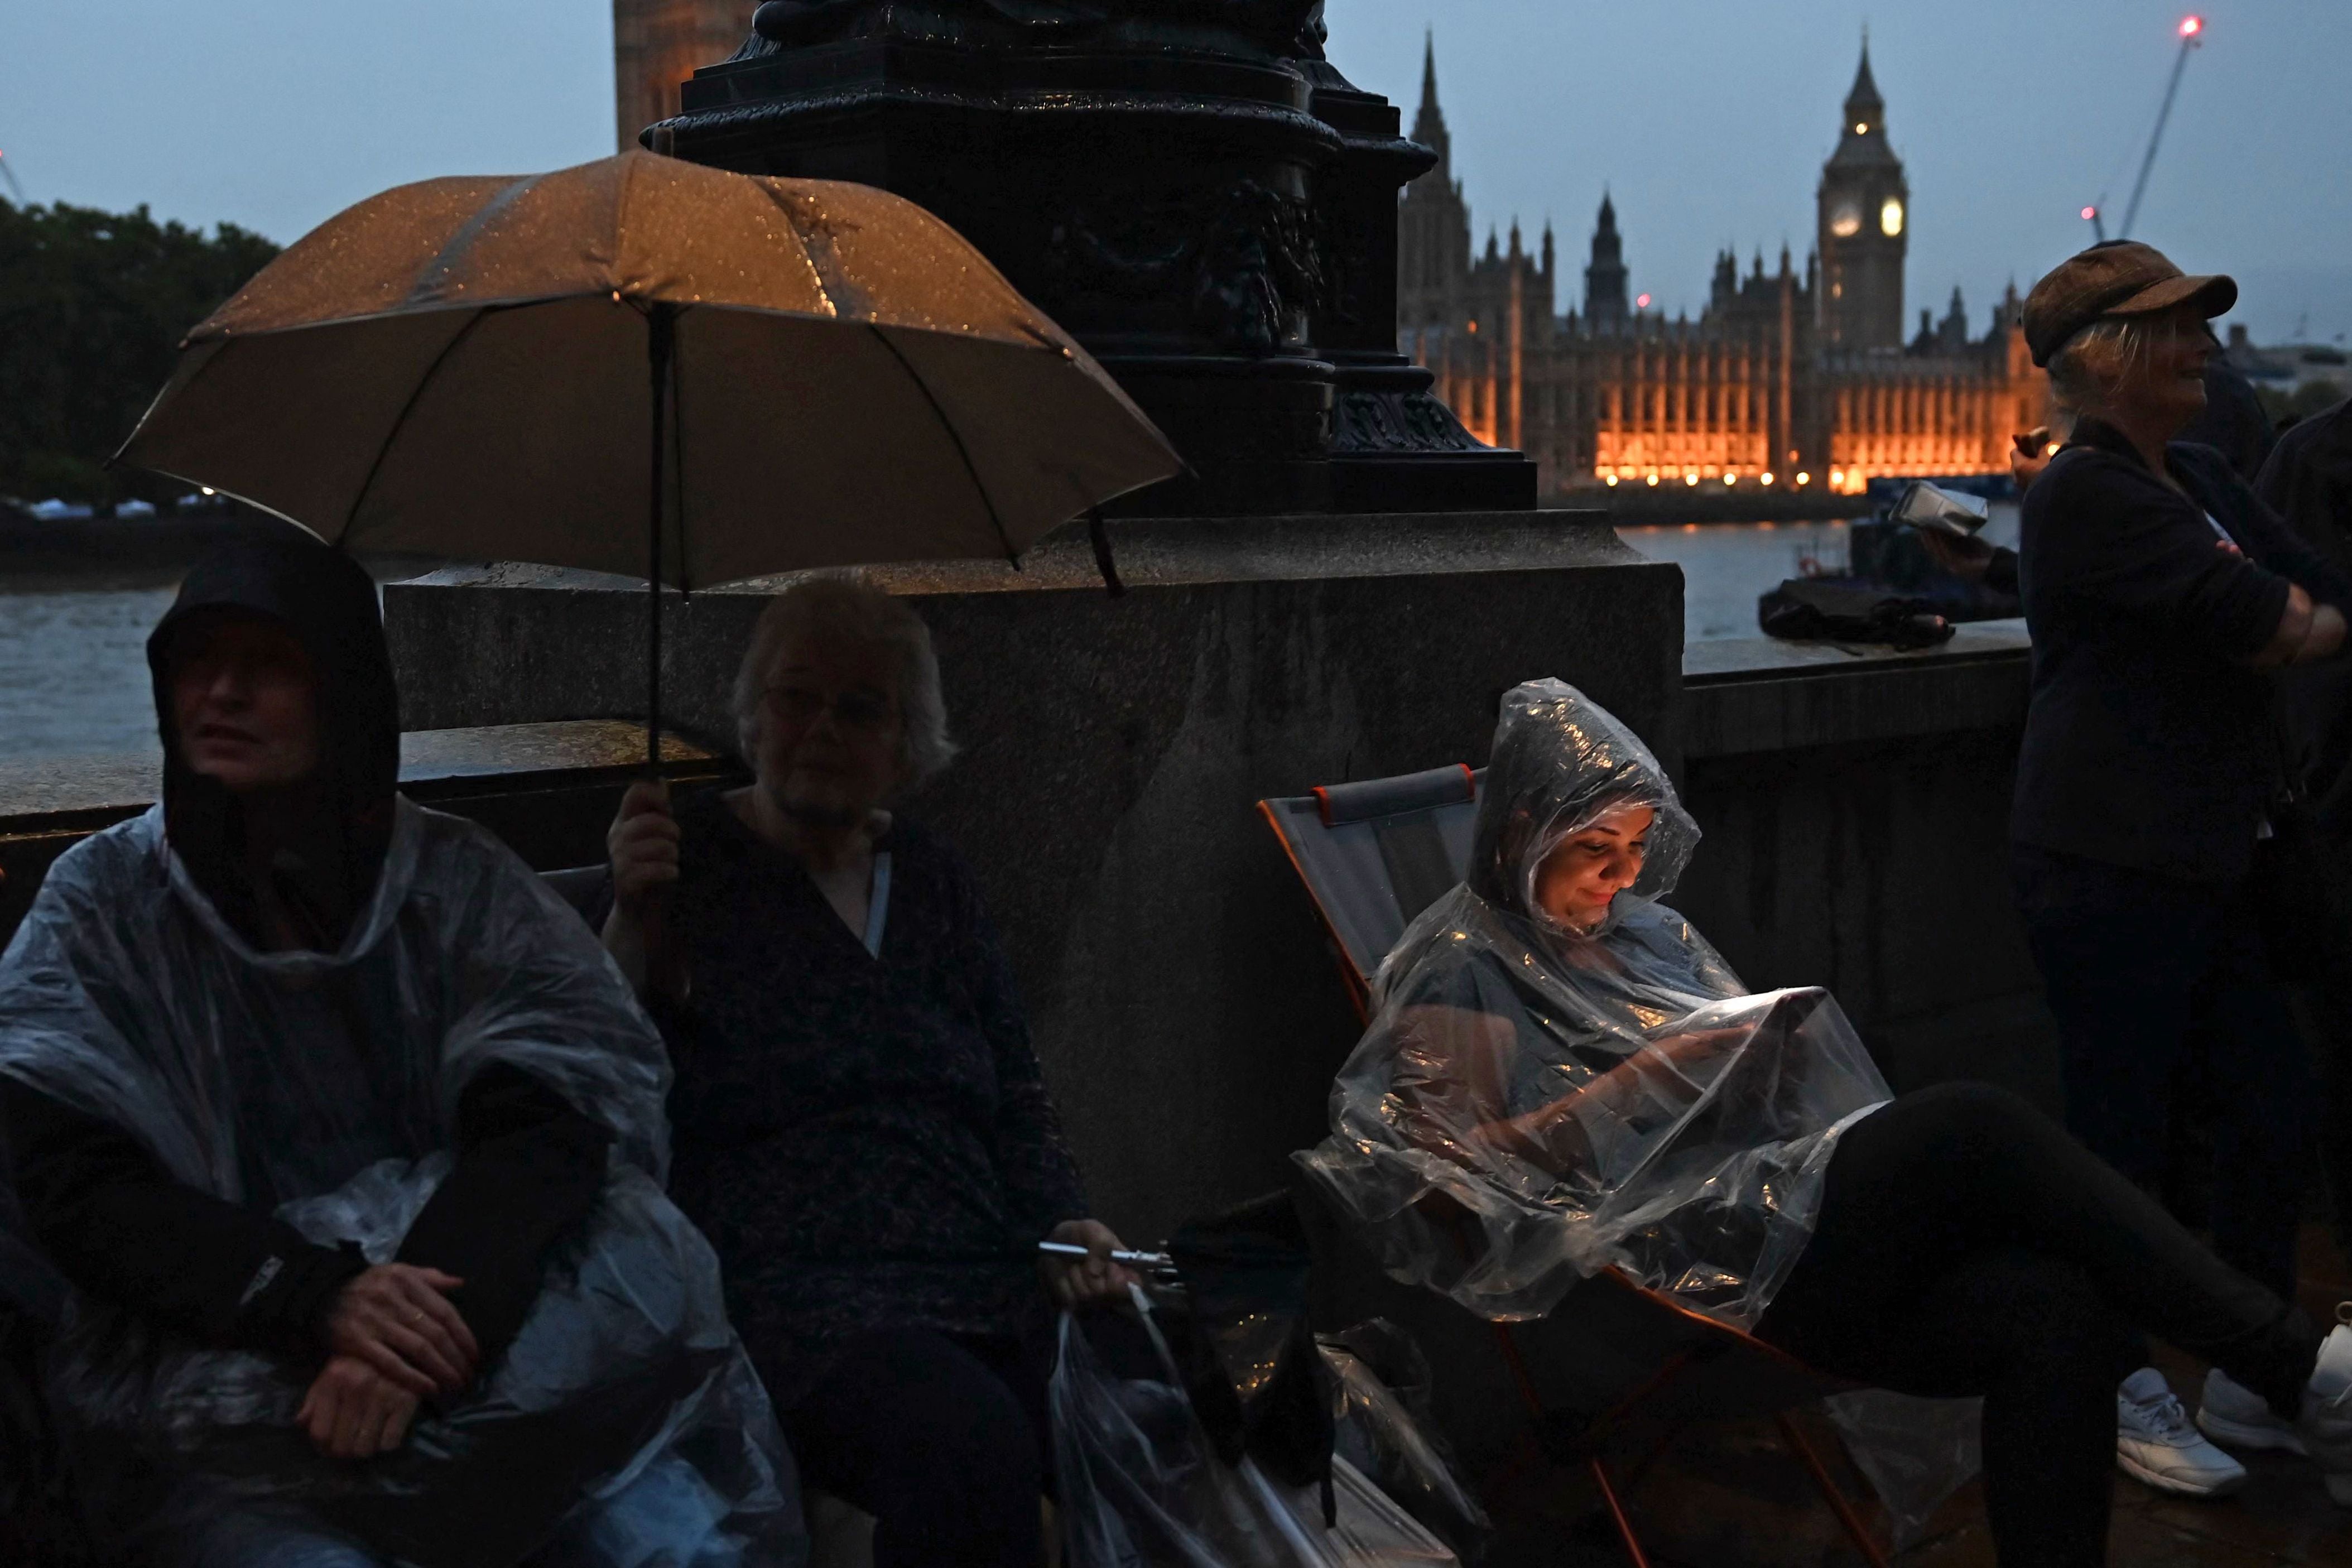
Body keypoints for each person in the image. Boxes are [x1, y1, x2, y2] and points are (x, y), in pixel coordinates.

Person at [1299, 678, 2352, 1568]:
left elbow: (1710, 1091)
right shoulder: (1462, 974)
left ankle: (2288, 1374)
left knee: (2058, 1313)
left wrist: (1760, 1057)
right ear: (1525, 833)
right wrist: (1668, 1072)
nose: (1621, 882)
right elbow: (1465, 1179)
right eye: (1597, 854)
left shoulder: (1636, 940)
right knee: (1972, 1127)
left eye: (1634, 852)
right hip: (1672, 1269)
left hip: (1773, 1226)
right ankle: (2297, 1367)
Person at [0, 539, 802, 1568]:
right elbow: (78, 1182)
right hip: (216, 1372)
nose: (225, 692)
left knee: (679, 1547)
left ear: (344, 689)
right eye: (198, 661)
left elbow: (552, 1121)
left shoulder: (457, 886)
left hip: (483, 1333)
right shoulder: (100, 910)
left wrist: (417, 1324)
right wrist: (311, 1296)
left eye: (269, 663)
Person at [599, 572, 1132, 1568]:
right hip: (807, 1296)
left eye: (860, 707)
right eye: (796, 696)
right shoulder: (685, 873)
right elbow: (596, 1065)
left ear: (906, 746)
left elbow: (1014, 1086)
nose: (822, 728)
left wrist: (1065, 1220)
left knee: (1166, 1393)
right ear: (755, 716)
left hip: (983, 1264)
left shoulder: (933, 880)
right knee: (970, 1445)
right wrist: (631, 919)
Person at [2002, 242, 2352, 1497]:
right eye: (2180, 331)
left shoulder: (2196, 470)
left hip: (2216, 859)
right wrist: (2279, 618)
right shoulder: (2085, 493)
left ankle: (2257, 1386)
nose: (2208, 349)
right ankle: (2107, 1385)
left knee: (2270, 1114)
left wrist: (2286, 614)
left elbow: (2312, 594)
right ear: (2113, 360)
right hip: (2105, 860)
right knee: (2116, 1152)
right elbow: (2278, 622)